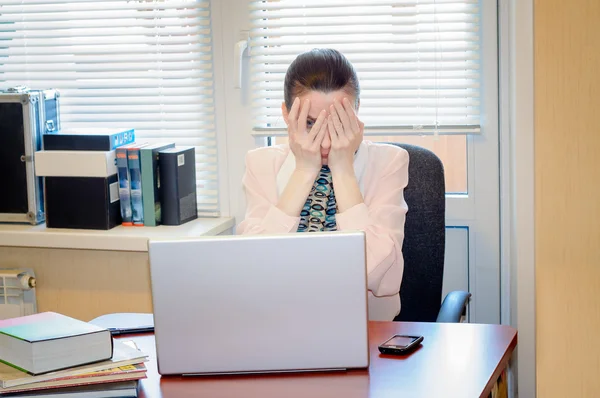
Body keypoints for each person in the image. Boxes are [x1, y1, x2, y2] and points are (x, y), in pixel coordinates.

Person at [236, 48, 409, 321]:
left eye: (339, 122)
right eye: (310, 123)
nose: (326, 141)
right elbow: (254, 270)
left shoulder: (389, 162)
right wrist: (305, 170)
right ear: (285, 114)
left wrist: (343, 171)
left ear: (357, 111)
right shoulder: (260, 164)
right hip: (276, 322)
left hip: (365, 328)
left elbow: (381, 277)